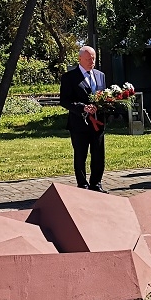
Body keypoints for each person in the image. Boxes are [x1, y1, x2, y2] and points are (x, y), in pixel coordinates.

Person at [59, 45, 108, 193]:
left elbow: (103, 97)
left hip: (98, 123)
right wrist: (82, 107)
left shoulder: (100, 75)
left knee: (99, 155)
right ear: (80, 59)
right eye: (88, 59)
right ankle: (82, 185)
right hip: (79, 124)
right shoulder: (69, 77)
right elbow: (64, 101)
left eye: (93, 58)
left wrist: (103, 105)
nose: (91, 61)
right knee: (81, 155)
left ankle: (96, 183)